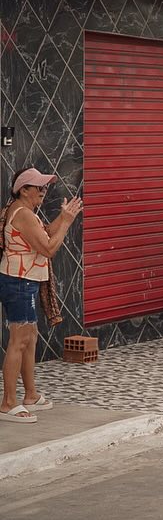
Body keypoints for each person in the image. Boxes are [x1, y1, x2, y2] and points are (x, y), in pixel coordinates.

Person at [0, 168, 82, 424]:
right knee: (19, 340)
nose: (44, 192)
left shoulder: (22, 211)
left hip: (24, 281)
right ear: (23, 190)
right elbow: (48, 248)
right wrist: (66, 223)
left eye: (45, 187)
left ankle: (31, 394)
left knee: (30, 337)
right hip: (20, 282)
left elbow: (43, 232)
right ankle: (8, 402)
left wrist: (63, 217)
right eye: (39, 187)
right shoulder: (23, 214)